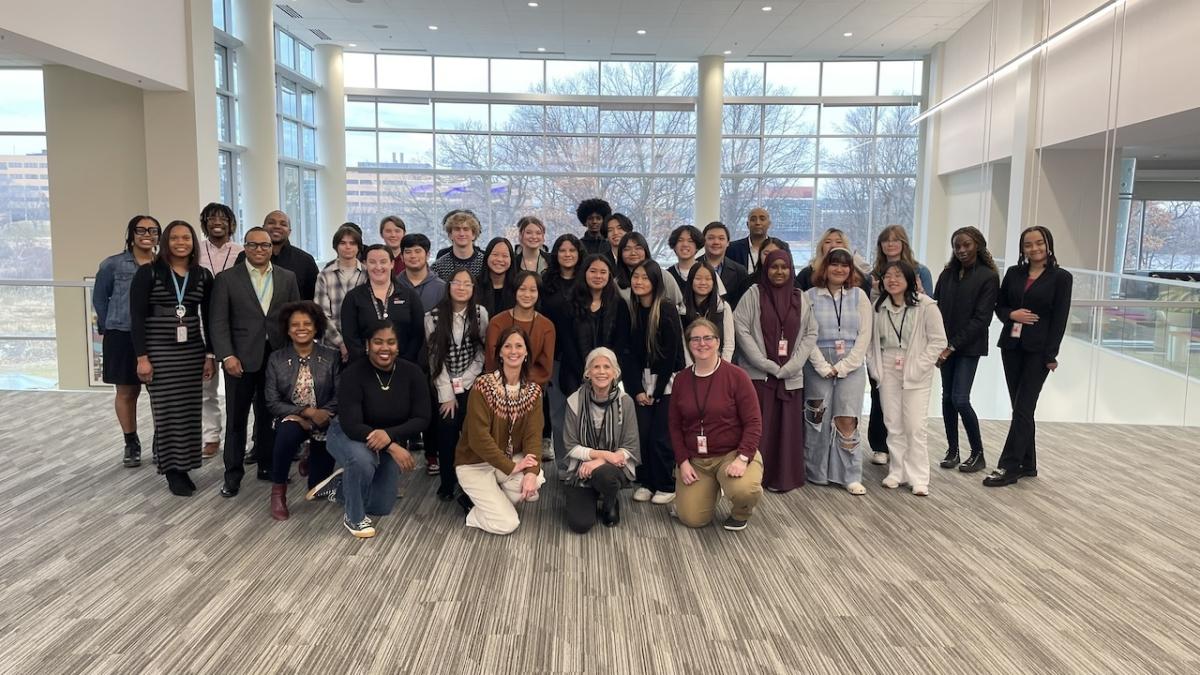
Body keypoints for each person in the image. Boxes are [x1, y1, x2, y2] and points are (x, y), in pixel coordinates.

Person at [211, 227, 302, 497]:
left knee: (270, 416)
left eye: (265, 245)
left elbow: (295, 319)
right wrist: (227, 355)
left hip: (276, 358)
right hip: (239, 359)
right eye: (253, 245)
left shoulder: (287, 278)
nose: (260, 250)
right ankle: (232, 474)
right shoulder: (227, 279)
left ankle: (267, 465)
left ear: (272, 248)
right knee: (236, 419)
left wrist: (292, 355)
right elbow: (218, 321)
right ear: (245, 248)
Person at [129, 220, 216, 496]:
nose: (181, 242)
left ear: (193, 243)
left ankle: (186, 464)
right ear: (165, 241)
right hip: (158, 351)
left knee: (190, 410)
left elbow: (210, 318)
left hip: (191, 351)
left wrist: (209, 355)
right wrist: (142, 357)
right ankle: (172, 470)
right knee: (167, 412)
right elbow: (137, 318)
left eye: (186, 238)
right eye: (175, 238)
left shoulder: (202, 276)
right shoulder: (148, 273)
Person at [984, 226, 1072, 487]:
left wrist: (1051, 354)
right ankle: (1028, 464)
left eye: (1039, 243)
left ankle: (1008, 466)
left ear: (1048, 245)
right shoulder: (1014, 273)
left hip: (1038, 351)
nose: (1034, 249)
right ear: (1022, 249)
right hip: (1011, 347)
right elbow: (999, 306)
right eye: (1028, 245)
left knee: (1023, 407)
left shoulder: (1061, 278)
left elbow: (1060, 318)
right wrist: (1012, 315)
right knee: (1020, 408)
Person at [326, 321, 431, 537]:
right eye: (378, 342)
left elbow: (422, 419)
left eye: (391, 342)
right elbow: (352, 424)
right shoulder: (353, 374)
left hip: (384, 438)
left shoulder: (412, 373)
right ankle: (354, 518)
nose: (385, 348)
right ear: (367, 345)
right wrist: (392, 445)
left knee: (381, 506)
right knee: (363, 460)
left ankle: (341, 485)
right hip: (348, 433)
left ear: (398, 346)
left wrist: (389, 436)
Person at [733, 249, 818, 493]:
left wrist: (792, 366)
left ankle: (784, 477)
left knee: (787, 428)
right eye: (774, 267)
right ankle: (755, 476)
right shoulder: (753, 294)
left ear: (791, 269)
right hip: (759, 376)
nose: (779, 271)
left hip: (790, 377)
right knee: (759, 427)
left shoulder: (800, 297)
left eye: (784, 267)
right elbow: (741, 327)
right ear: (765, 269)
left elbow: (811, 332)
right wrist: (765, 363)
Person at [669, 318, 764, 531]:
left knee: (744, 490)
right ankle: (711, 490)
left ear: (718, 341)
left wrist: (742, 458)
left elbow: (754, 422)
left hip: (731, 454)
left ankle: (741, 510)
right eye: (695, 339)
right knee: (692, 519)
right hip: (696, 460)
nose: (702, 343)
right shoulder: (682, 380)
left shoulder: (737, 376)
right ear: (688, 344)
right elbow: (674, 425)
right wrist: (683, 462)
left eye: (708, 338)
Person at [455, 326, 547, 535]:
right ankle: (473, 510)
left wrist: (530, 474)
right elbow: (478, 438)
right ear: (500, 353)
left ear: (526, 354)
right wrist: (511, 467)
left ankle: (491, 499)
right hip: (475, 464)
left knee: (536, 480)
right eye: (507, 346)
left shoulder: (533, 392)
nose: (513, 351)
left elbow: (534, 437)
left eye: (519, 346)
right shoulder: (483, 385)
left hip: (503, 462)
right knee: (507, 524)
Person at [866, 261, 946, 497]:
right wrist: (874, 369)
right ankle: (897, 471)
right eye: (887, 276)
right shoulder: (878, 306)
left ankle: (919, 477)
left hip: (915, 368)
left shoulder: (926, 306)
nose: (892, 280)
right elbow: (870, 343)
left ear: (910, 279)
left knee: (914, 425)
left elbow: (938, 341)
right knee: (893, 423)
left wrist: (920, 366)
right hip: (887, 366)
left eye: (898, 275)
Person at [545, 255, 627, 473]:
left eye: (603, 272)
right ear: (584, 273)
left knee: (602, 422)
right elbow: (567, 343)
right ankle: (567, 467)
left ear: (610, 276)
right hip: (573, 370)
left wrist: (606, 372)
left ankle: (601, 467)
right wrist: (586, 372)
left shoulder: (619, 305)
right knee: (568, 420)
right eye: (593, 271)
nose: (598, 276)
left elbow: (620, 342)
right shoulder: (568, 303)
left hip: (607, 375)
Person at [803, 247, 872, 496]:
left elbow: (865, 335)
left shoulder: (860, 296)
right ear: (825, 267)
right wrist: (822, 365)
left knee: (847, 418)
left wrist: (844, 366)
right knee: (816, 417)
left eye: (845, 265)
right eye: (834, 264)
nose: (839, 269)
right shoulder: (809, 296)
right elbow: (806, 334)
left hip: (851, 365)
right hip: (817, 363)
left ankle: (849, 475)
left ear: (850, 270)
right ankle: (816, 472)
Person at [864, 225, 935, 466]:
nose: (890, 244)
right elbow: (870, 308)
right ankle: (880, 446)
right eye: (886, 241)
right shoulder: (872, 273)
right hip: (883, 349)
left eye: (895, 240)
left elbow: (927, 303)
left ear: (904, 243)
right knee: (880, 399)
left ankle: (910, 459)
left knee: (911, 409)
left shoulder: (920, 270)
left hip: (910, 349)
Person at [264, 301, 340, 520]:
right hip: (294, 418)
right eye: (295, 324)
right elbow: (272, 401)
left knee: (317, 487)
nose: (301, 328)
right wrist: (306, 413)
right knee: (287, 434)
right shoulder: (276, 359)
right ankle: (278, 491)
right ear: (287, 330)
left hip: (325, 420)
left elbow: (339, 395)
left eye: (307, 323)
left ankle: (310, 457)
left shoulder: (331, 356)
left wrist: (320, 415)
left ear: (316, 327)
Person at [933, 226, 1000, 473]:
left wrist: (952, 346)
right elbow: (935, 307)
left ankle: (978, 453)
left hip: (968, 347)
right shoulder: (948, 273)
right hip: (944, 346)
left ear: (978, 245)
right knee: (947, 398)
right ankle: (953, 451)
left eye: (966, 245)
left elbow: (981, 319)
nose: (961, 249)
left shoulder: (988, 276)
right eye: (957, 245)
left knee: (960, 398)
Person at [94, 215, 158, 467]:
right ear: (131, 234)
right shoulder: (113, 265)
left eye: (153, 230)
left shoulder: (162, 264)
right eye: (141, 230)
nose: (147, 234)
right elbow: (100, 299)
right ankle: (131, 442)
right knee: (127, 391)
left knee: (158, 392)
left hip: (154, 335)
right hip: (121, 333)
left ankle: (160, 440)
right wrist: (107, 327)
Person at [619, 260, 685, 506]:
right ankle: (646, 481)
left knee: (661, 436)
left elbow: (671, 356)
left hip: (666, 383)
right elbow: (629, 356)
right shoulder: (632, 309)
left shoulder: (666, 309)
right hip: (641, 383)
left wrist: (656, 392)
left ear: (656, 282)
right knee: (643, 435)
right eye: (636, 276)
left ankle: (666, 484)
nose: (639, 281)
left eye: (645, 278)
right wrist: (636, 390)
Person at [425, 269, 489, 500]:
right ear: (449, 286)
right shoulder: (432, 316)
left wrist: (466, 381)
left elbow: (482, 352)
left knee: (472, 431)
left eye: (467, 284)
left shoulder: (480, 314)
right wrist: (448, 393)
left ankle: (470, 482)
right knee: (447, 429)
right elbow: (434, 359)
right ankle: (447, 482)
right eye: (457, 283)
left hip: (472, 382)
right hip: (443, 384)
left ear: (473, 289)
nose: (461, 287)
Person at [561, 347, 640, 532]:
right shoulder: (574, 400)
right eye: (596, 367)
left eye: (607, 366)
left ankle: (609, 502)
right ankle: (590, 493)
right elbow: (570, 446)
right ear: (588, 372)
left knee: (606, 475)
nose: (602, 372)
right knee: (580, 524)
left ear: (615, 372)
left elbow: (630, 446)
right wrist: (603, 454)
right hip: (581, 469)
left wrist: (601, 460)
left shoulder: (625, 402)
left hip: (613, 467)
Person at [197, 203, 243, 459]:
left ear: (231, 223)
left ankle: (239, 440)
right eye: (211, 218)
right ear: (204, 223)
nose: (217, 222)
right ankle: (211, 436)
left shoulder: (240, 252)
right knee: (207, 387)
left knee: (239, 390)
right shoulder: (196, 252)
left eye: (223, 218)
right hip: (202, 324)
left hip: (233, 326)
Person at [341, 244, 425, 365]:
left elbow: (418, 334)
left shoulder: (409, 296)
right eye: (372, 262)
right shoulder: (353, 297)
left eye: (383, 262)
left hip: (404, 366)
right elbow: (350, 337)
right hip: (364, 367)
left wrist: (403, 363)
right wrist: (368, 363)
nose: (378, 267)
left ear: (392, 264)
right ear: (365, 264)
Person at [314, 224, 366, 363]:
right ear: (336, 246)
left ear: (359, 246)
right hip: (331, 346)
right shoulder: (324, 275)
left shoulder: (368, 274)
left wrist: (354, 345)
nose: (347, 247)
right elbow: (321, 315)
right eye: (343, 243)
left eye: (352, 243)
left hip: (363, 345)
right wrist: (341, 343)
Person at [615, 231, 685, 312]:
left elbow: (679, 305)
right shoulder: (616, 283)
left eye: (638, 248)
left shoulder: (663, 275)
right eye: (627, 249)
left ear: (646, 251)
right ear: (620, 253)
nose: (633, 253)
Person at [682, 261, 736, 362]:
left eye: (708, 279)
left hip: (719, 366)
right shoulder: (681, 310)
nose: (703, 283)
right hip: (690, 366)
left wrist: (722, 366)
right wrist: (691, 368)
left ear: (714, 282)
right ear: (690, 281)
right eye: (698, 278)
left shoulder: (723, 307)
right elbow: (682, 344)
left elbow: (729, 343)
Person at [261, 210, 319, 300]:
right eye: (271, 222)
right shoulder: (246, 257)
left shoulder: (306, 260)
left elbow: (313, 298)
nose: (277, 226)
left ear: (289, 231)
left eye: (283, 224)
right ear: (263, 228)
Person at [795, 228, 872, 294]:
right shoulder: (807, 274)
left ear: (845, 246)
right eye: (827, 242)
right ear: (821, 247)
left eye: (839, 242)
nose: (833, 245)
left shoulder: (859, 275)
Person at [701, 221, 750, 308]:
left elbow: (743, 305)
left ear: (728, 243)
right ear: (703, 241)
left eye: (721, 238)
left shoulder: (740, 271)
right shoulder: (693, 267)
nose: (716, 242)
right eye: (711, 238)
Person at [728, 207, 789, 276]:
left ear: (769, 224)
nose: (758, 223)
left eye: (762, 219)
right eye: (753, 219)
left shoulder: (781, 247)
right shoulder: (733, 248)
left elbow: (790, 275)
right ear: (747, 224)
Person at [397, 232, 447, 311]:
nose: (413, 256)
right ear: (402, 257)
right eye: (408, 252)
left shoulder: (442, 288)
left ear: (427, 255)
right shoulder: (393, 285)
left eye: (417, 251)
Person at [431, 211, 486, 282]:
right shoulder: (438, 267)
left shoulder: (485, 264)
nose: (461, 234)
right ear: (450, 235)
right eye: (457, 229)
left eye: (466, 229)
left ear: (473, 235)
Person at [474, 237, 517, 319]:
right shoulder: (474, 285)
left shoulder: (518, 287)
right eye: (495, 254)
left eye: (505, 256)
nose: (500, 259)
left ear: (511, 259)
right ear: (487, 256)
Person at [540, 233, 581, 302]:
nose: (567, 254)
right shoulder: (546, 280)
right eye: (562, 251)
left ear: (579, 253)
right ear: (556, 254)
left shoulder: (587, 280)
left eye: (572, 250)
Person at [666, 224, 703, 291]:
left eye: (690, 241)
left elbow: (720, 300)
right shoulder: (667, 275)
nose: (685, 244)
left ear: (697, 246)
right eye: (680, 240)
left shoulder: (708, 272)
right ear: (674, 246)